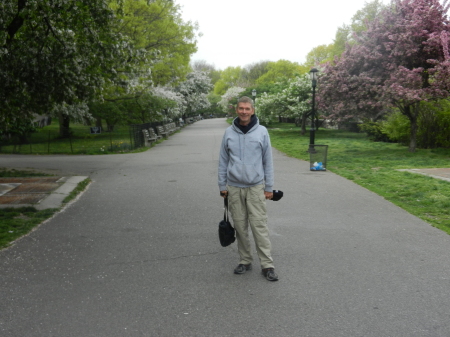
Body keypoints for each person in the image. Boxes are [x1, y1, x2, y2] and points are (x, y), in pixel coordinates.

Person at [218, 96, 278, 281]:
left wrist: (269, 187)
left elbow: (268, 161)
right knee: (240, 226)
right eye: (240, 108)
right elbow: (223, 161)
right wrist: (222, 185)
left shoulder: (262, 132)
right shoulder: (228, 132)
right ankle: (245, 260)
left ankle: (267, 265)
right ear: (236, 110)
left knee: (259, 226)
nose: (244, 111)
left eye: (247, 108)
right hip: (234, 187)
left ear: (252, 110)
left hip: (255, 187)